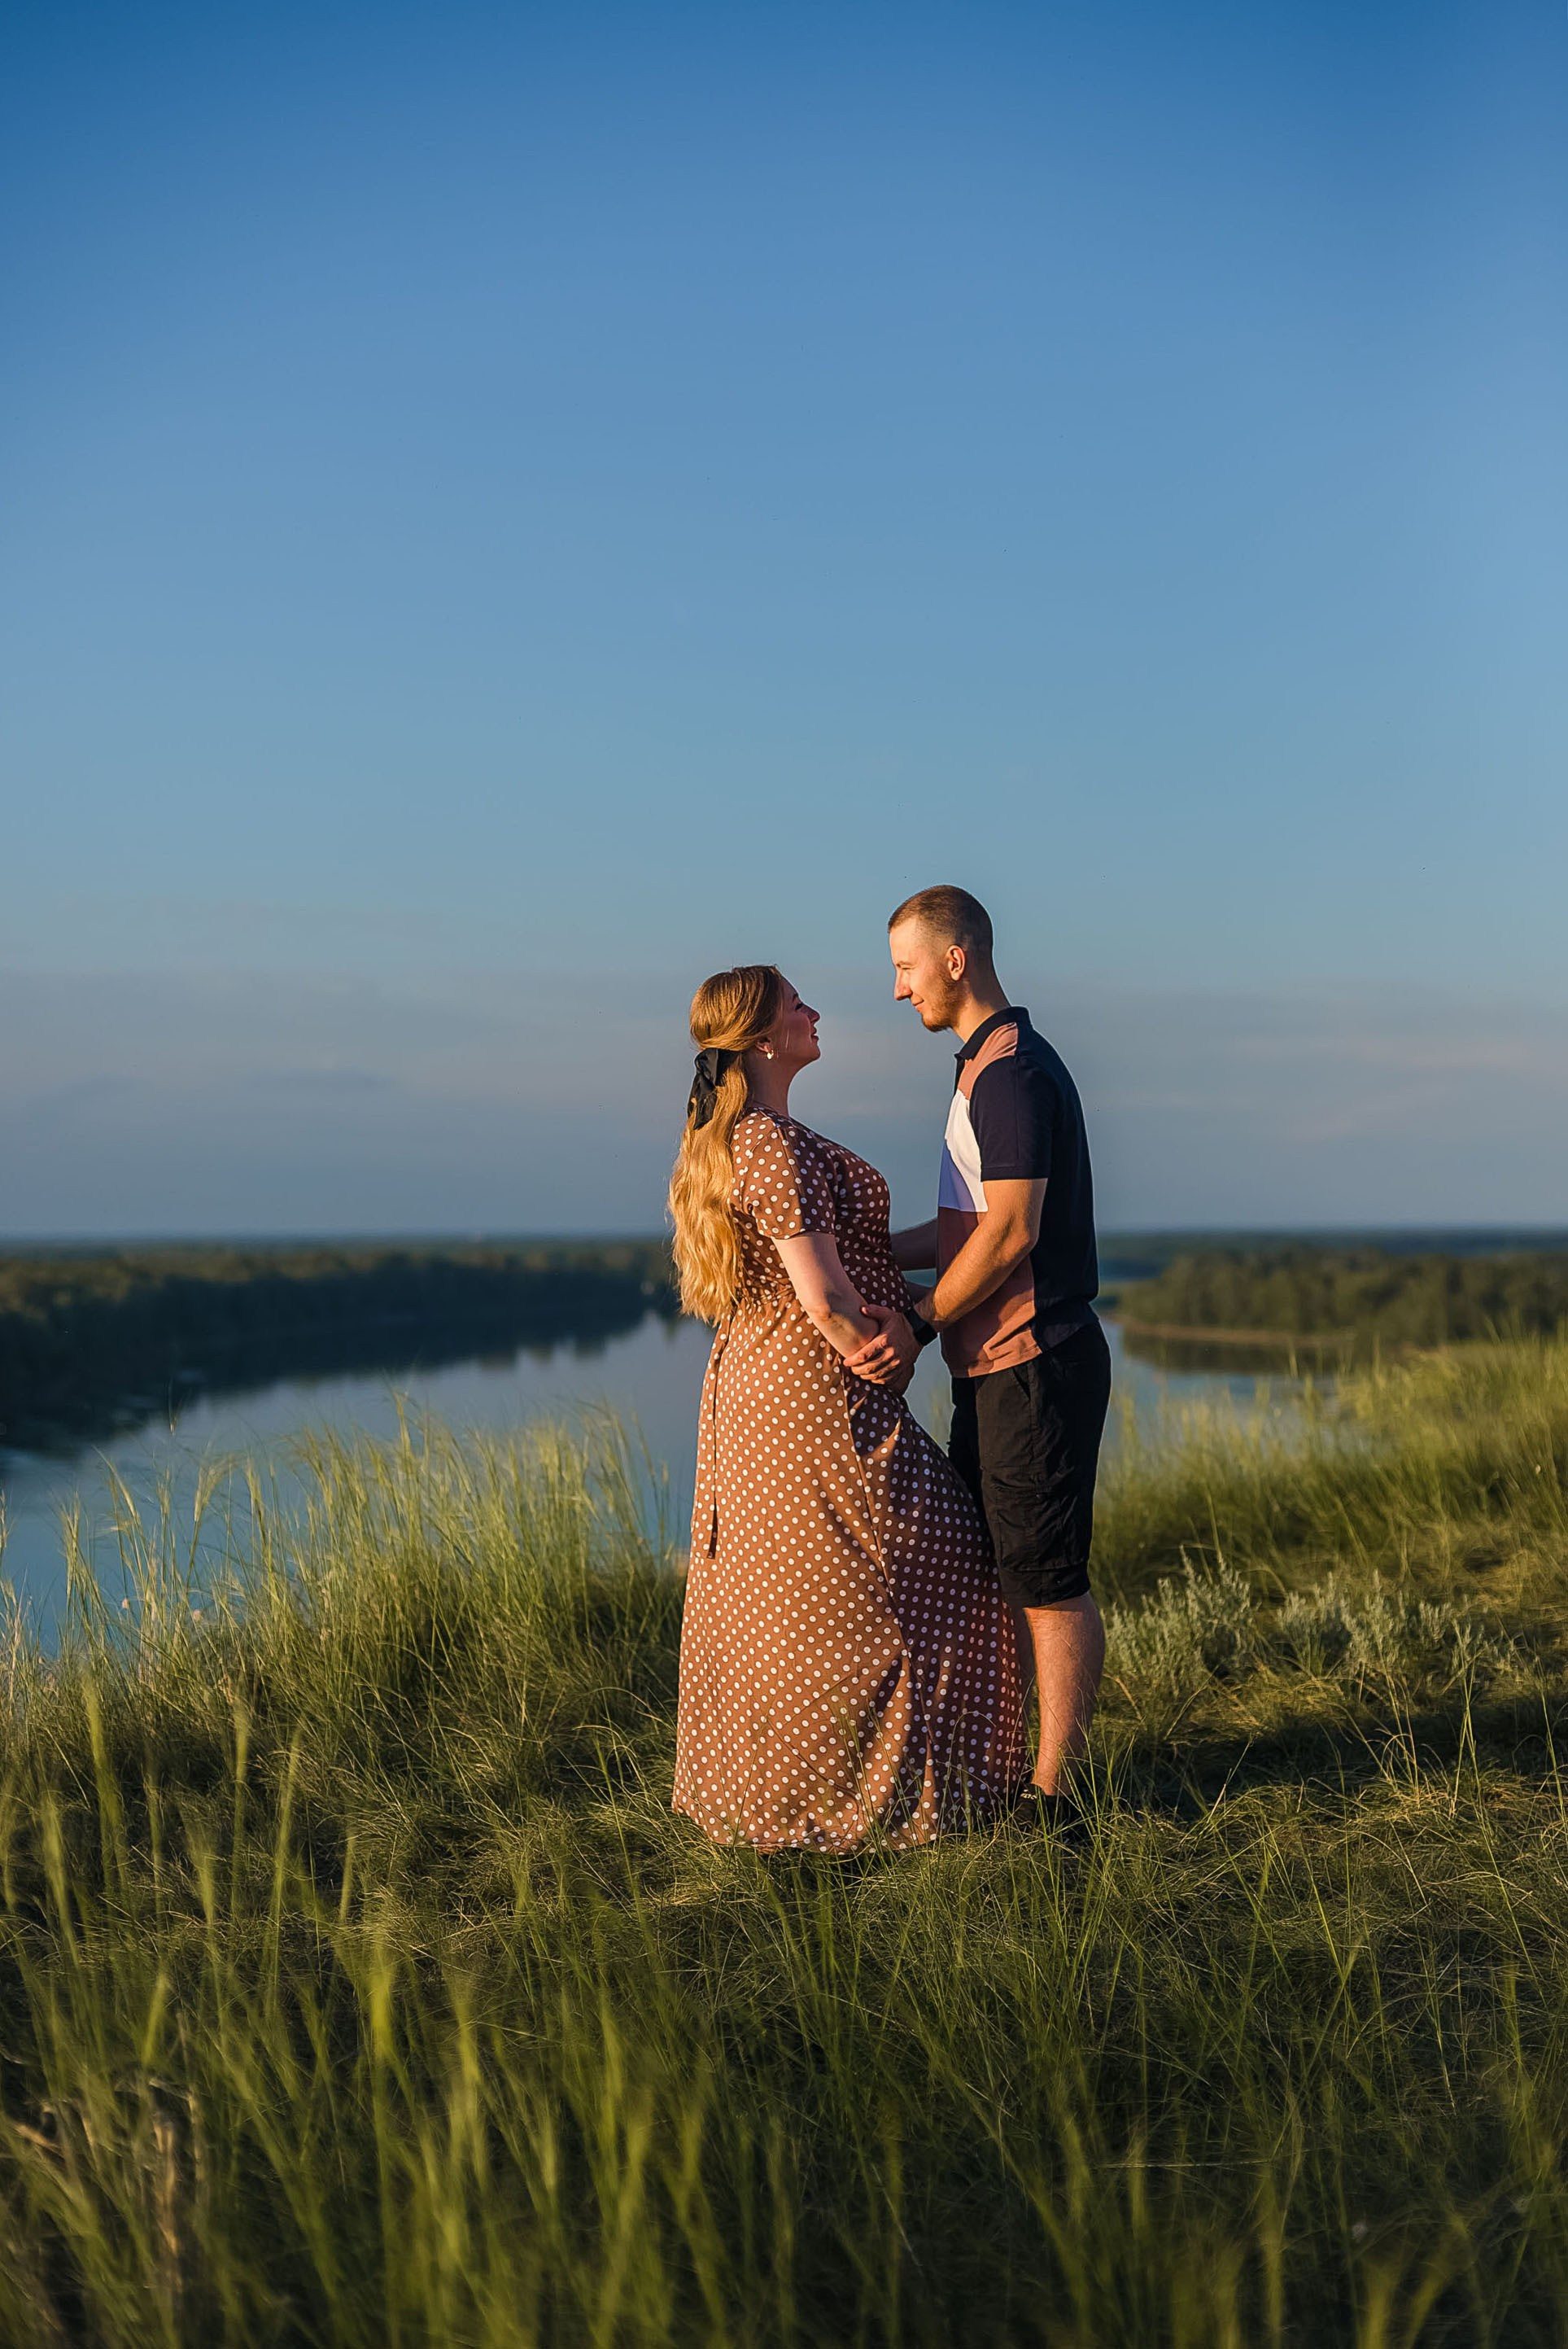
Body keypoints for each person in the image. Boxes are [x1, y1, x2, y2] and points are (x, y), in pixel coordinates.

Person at [669, 962, 1026, 1853]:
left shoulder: (760, 1135)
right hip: (810, 1385)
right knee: (919, 1560)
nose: (815, 1012)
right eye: (798, 1005)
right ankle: (873, 1805)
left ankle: (846, 1795)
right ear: (762, 1037)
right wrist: (887, 1352)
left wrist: (980, 1240)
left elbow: (852, 1251)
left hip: (775, 1385)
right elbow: (825, 1297)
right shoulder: (768, 1142)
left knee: (809, 1587)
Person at [849, 887, 1112, 1818]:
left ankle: (1056, 1800)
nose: (897, 989)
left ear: (955, 959)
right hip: (996, 1367)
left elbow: (1010, 1233)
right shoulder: (980, 1070)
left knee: (1046, 1581)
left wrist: (917, 1323)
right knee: (992, 1569)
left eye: (905, 967)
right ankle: (1000, 1771)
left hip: (1033, 1362)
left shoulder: (1010, 1074)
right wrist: (860, 1250)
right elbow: (967, 1227)